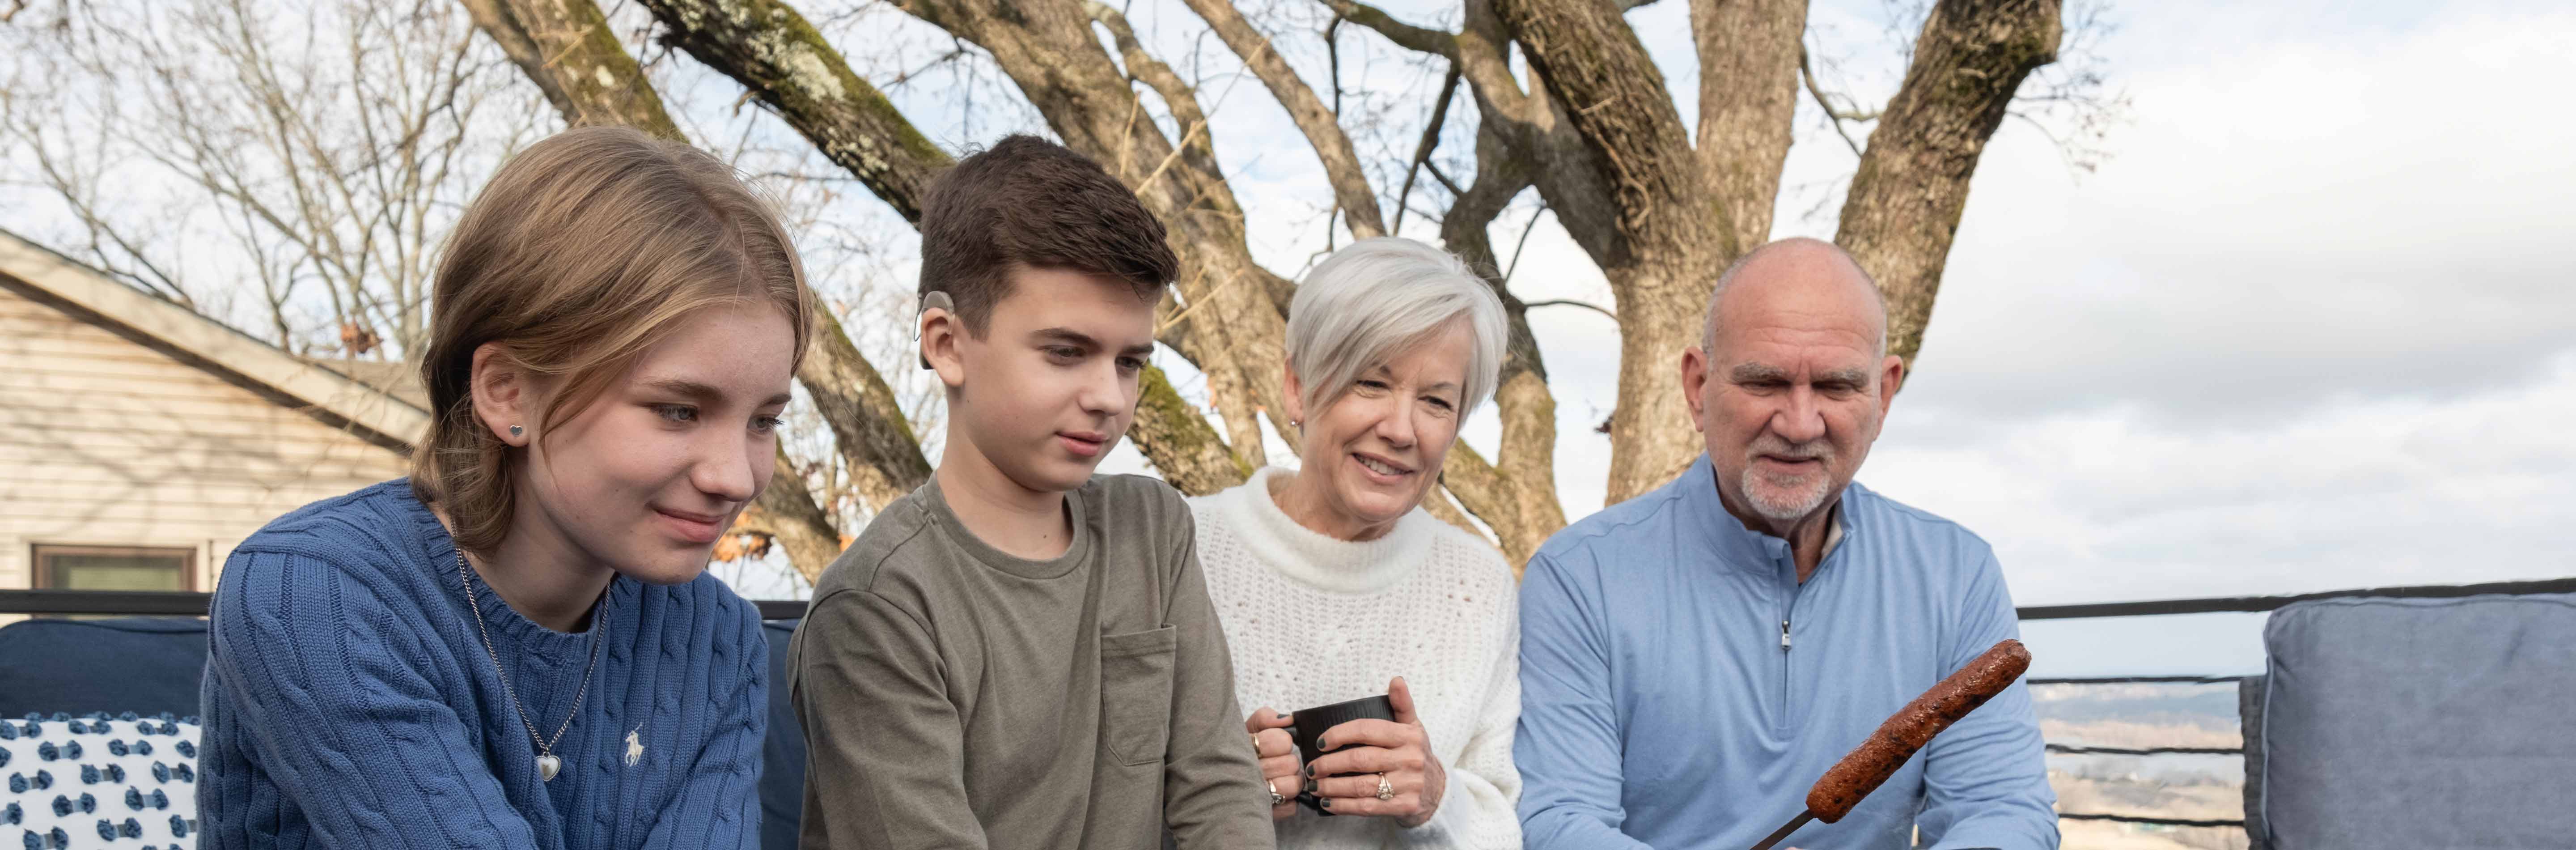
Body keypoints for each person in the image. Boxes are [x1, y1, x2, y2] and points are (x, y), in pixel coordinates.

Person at [198, 126, 812, 849]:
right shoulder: (315, 596)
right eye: (678, 410)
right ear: (508, 392)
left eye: (764, 420)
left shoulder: (714, 639)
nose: (735, 477)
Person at [787, 135, 1274, 850]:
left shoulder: (1152, 529)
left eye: (1131, 362)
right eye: (1066, 353)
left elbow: (1221, 791)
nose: (1109, 397)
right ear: (947, 343)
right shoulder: (877, 609)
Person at [1514, 238, 2059, 850]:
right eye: (1766, 382)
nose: (1800, 424)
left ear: (1884, 395)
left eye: (1836, 386)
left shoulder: (1956, 573)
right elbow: (1560, 822)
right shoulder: (1579, 577)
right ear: (1698, 387)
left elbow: (2002, 811)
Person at [1192, 238, 1524, 848]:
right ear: (1298, 388)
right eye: (1371, 383)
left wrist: (1434, 799)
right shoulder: (1183, 550)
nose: (1400, 430)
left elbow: (1503, 827)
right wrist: (1215, 799)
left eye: (1435, 401)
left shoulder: (1477, 585)